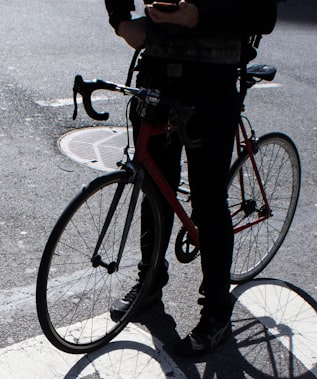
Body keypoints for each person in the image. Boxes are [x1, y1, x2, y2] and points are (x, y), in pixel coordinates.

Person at [105, 0, 248, 357]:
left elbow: (263, 13)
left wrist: (199, 15)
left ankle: (216, 314)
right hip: (156, 72)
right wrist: (122, 20)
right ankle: (150, 280)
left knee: (208, 201)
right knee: (154, 186)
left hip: (213, 82)